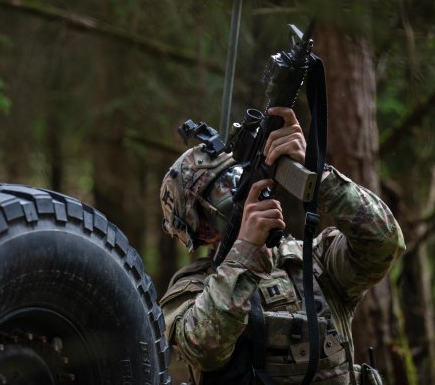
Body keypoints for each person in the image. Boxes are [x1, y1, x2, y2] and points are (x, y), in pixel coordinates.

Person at [159, 107, 405, 385]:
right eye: (222, 187)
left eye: (240, 176)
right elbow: (203, 349)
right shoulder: (193, 289)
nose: (241, 191)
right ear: (201, 230)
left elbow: (384, 243)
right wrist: (244, 255)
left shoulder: (315, 260)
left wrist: (317, 175)